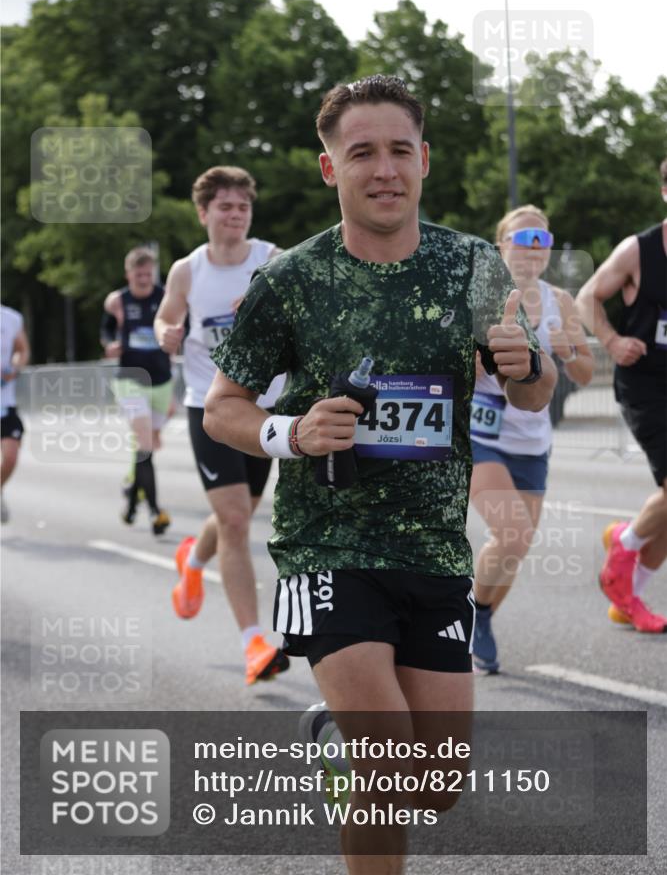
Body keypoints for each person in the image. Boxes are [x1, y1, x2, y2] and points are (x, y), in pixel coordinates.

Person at [203, 75, 556, 873]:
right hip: (327, 543)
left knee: (433, 786)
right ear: (331, 168)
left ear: (424, 160)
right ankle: (360, 758)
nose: (384, 168)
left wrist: (526, 364)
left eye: (400, 150)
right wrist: (290, 432)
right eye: (361, 152)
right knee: (391, 766)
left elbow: (534, 389)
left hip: (432, 548)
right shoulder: (292, 279)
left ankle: (341, 753)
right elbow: (221, 408)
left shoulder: (472, 266)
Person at [154, 165, 289, 686]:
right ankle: (253, 643)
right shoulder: (188, 270)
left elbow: (298, 311)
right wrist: (169, 331)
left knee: (238, 513)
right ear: (204, 212)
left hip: (264, 410)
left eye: (243, 207)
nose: (236, 216)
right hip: (208, 406)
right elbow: (168, 316)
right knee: (235, 520)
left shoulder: (271, 258)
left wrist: (266, 305)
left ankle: (193, 558)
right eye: (226, 207)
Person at [469, 206, 594, 673]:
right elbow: (460, 366)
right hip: (482, 434)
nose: (533, 250)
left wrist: (565, 352)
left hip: (532, 441)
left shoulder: (560, 301)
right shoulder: (480, 294)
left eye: (542, 241)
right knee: (513, 533)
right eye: (523, 240)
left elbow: (583, 371)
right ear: (502, 246)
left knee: (516, 550)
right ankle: (472, 617)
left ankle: (478, 617)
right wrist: (483, 358)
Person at [576, 164, 667, 634]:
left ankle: (627, 594)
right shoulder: (639, 250)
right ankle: (623, 551)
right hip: (646, 386)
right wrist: (611, 341)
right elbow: (587, 297)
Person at [101, 246, 172, 534]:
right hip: (130, 379)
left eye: (148, 273)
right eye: (138, 273)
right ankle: (155, 511)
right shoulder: (118, 301)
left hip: (162, 380)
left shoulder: (165, 296)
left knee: (148, 444)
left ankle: (131, 498)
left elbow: (182, 326)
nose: (144, 278)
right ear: (128, 274)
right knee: (144, 443)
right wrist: (109, 344)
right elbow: (106, 330)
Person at [1, 304, 30, 523]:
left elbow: (22, 349)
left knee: (10, 457)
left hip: (5, 403)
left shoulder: (11, 317)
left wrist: (15, 367)